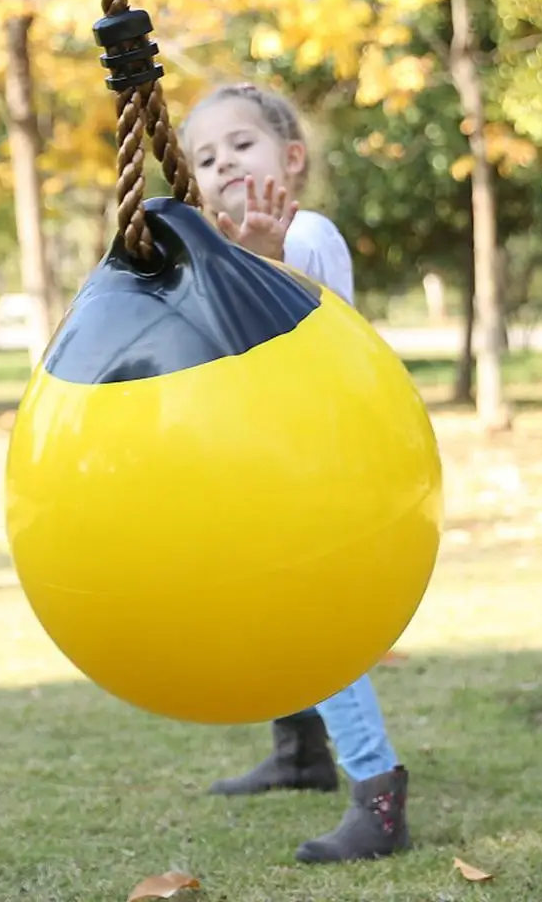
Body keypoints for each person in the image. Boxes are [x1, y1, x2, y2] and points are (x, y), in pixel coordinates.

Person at [178, 82, 411, 866]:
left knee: (320, 634)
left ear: (292, 157)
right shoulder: (233, 250)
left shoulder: (304, 233)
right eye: (205, 159)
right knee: (267, 609)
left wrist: (265, 258)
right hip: (271, 467)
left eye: (241, 145)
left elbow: (306, 339)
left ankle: (378, 795)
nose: (224, 165)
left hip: (319, 468)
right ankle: (301, 749)